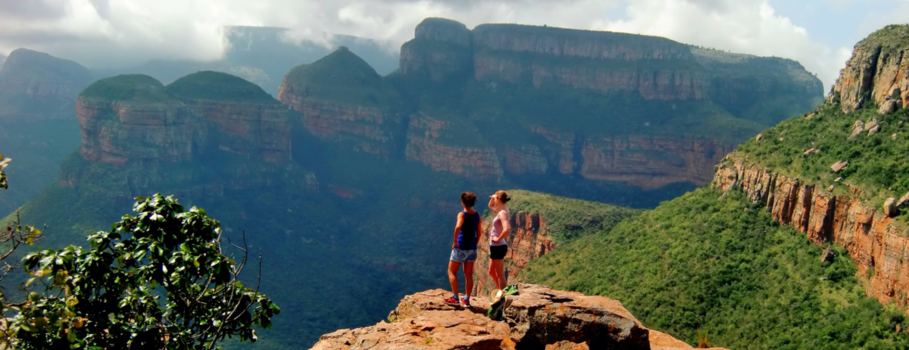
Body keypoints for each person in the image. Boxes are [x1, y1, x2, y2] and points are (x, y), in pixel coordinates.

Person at [443, 192, 482, 307]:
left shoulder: (462, 214)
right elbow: (479, 232)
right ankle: (467, 299)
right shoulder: (477, 215)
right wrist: (475, 243)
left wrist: (455, 241)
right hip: (472, 248)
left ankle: (455, 298)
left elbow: (458, 226)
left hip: (461, 247)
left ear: (462, 202)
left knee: (451, 272)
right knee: (468, 274)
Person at [487, 190, 511, 290]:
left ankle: (503, 299)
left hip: (498, 246)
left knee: (500, 275)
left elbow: (506, 229)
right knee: (491, 272)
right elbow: (490, 206)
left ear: (499, 200)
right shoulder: (502, 210)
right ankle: (500, 293)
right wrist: (493, 198)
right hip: (495, 246)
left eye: (496, 199)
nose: (494, 201)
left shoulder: (502, 213)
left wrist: (497, 238)